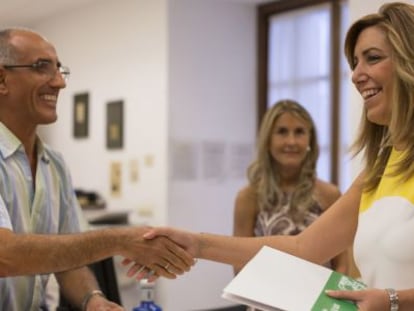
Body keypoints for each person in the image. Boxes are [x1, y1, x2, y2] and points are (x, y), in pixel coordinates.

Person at [141, 2, 414, 310]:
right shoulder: (377, 171)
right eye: (355, 63)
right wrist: (196, 244)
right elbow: (302, 247)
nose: (355, 75)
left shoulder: (329, 191)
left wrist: (395, 301)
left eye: (373, 58)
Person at [0, 28, 194, 310]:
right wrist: (119, 239)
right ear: (2, 79)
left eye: (59, 70)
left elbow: (68, 261)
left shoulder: (53, 165)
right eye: (41, 67)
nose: (59, 83)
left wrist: (94, 300)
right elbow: (6, 255)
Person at [233, 99, 349, 277]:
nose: (291, 141)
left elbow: (342, 264)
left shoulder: (329, 195)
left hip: (318, 301)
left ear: (310, 139)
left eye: (299, 132)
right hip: (264, 299)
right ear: (267, 140)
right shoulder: (248, 197)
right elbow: (239, 262)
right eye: (282, 132)